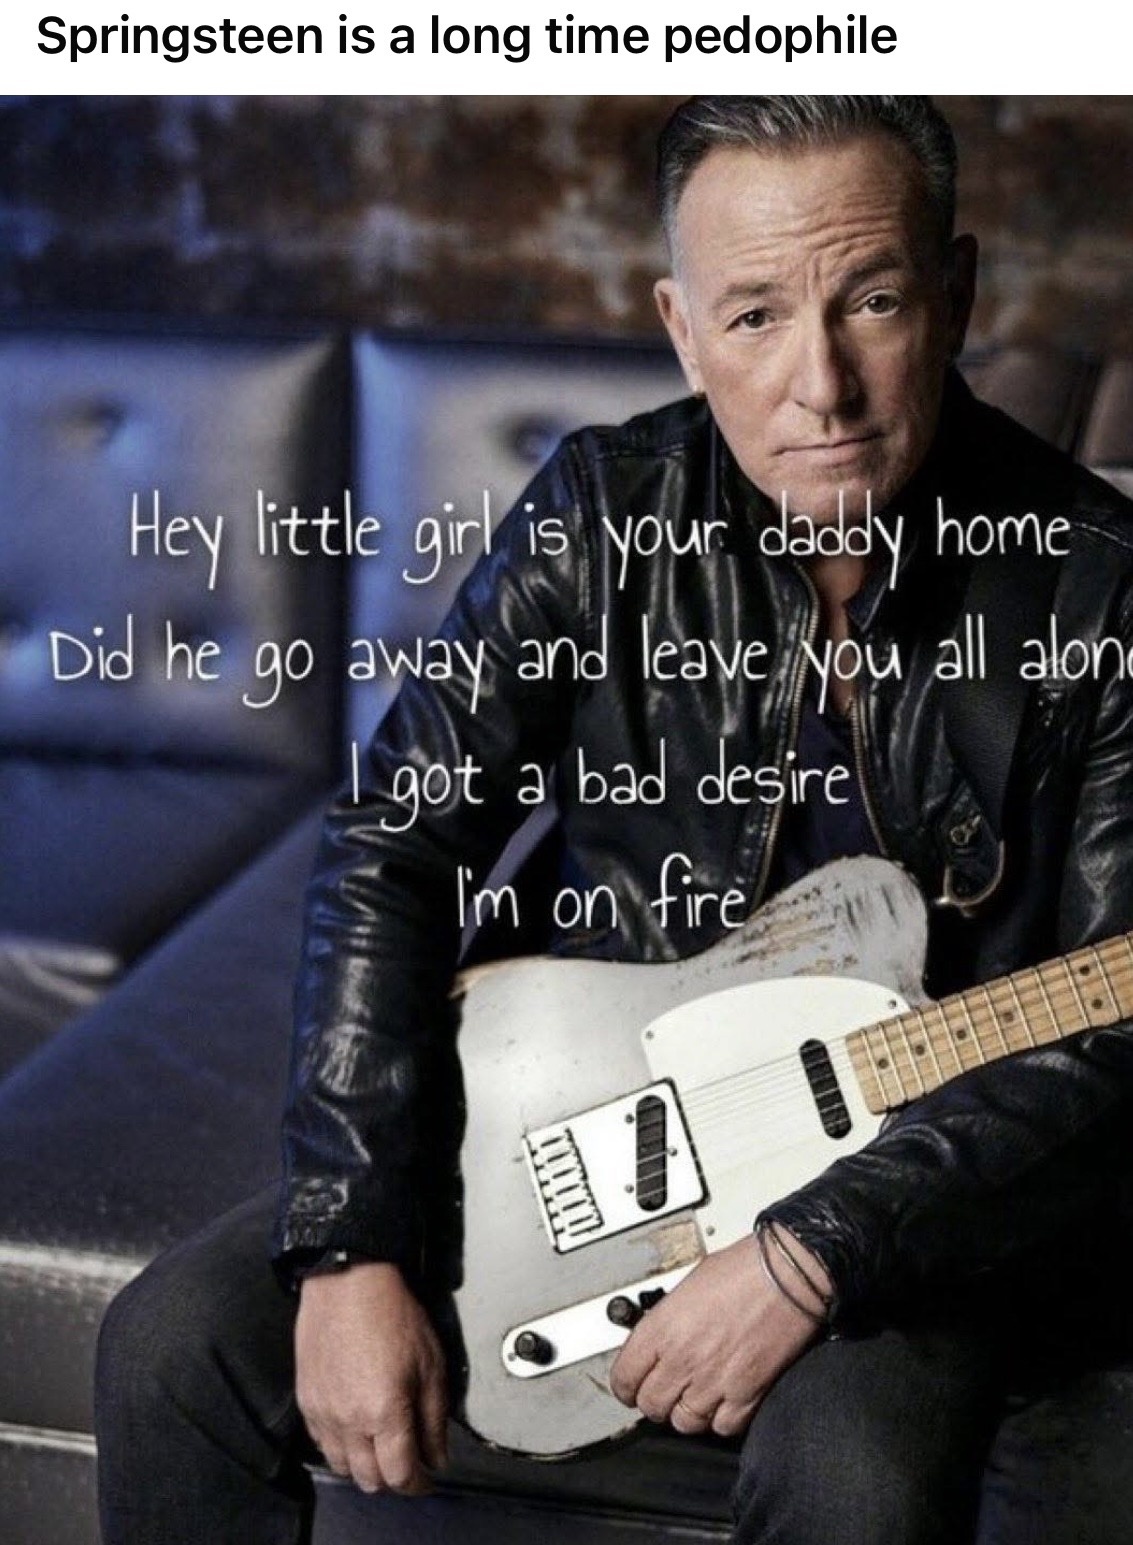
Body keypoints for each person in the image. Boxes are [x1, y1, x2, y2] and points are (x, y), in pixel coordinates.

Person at [95, 96, 1133, 1545]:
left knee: (854, 1478)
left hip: (908, 1172)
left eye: (873, 302)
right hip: (593, 1113)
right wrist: (346, 1240)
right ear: (681, 330)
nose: (820, 386)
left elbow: (1106, 1020)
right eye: (754, 315)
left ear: (954, 296)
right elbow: (392, 844)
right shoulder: (600, 512)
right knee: (167, 1349)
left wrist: (814, 1251)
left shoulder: (1094, 581)